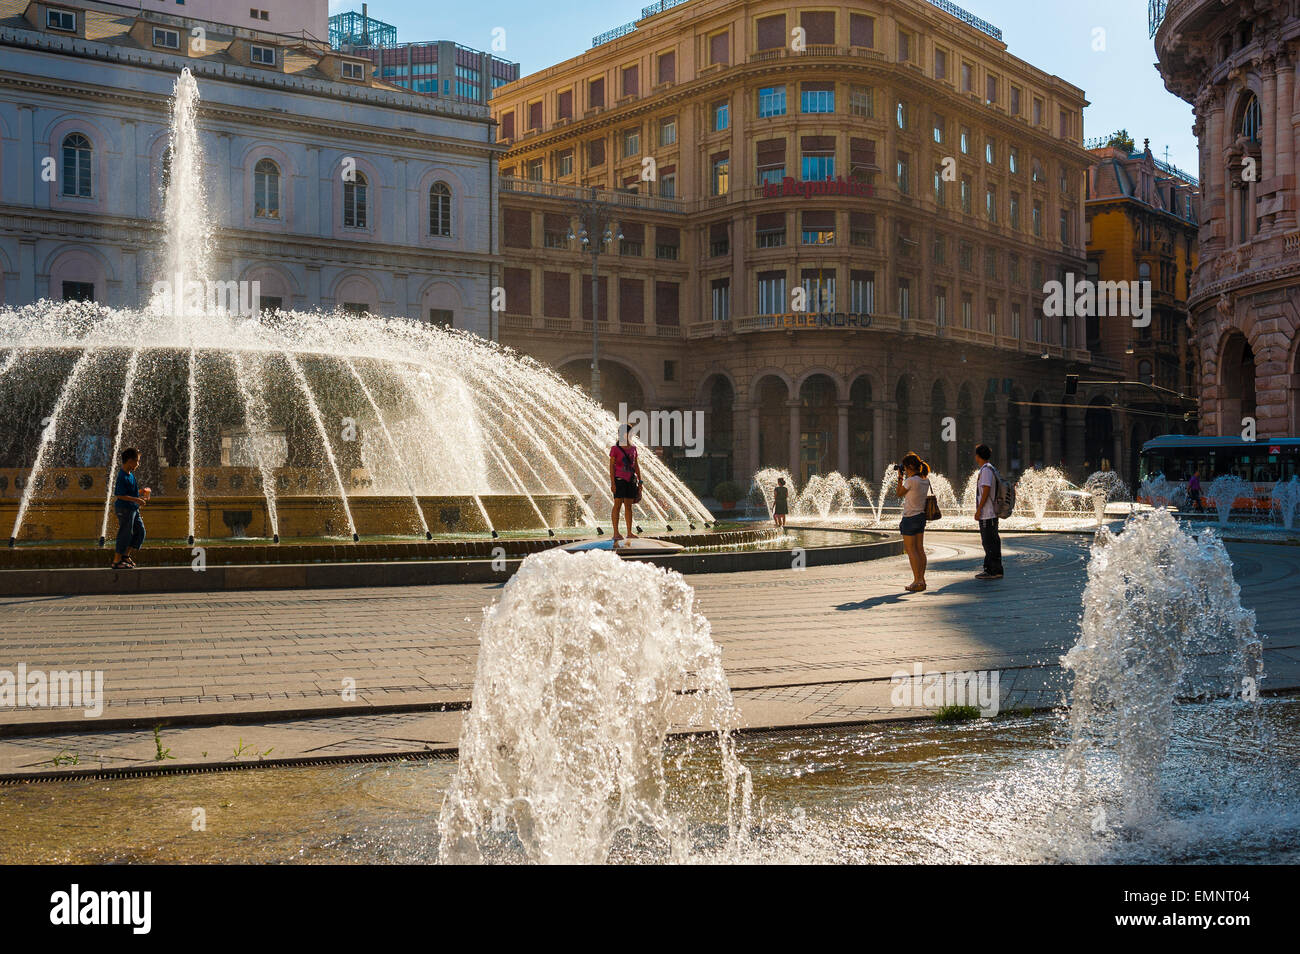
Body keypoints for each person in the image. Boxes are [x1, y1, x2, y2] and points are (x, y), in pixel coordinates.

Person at [895, 452, 930, 592]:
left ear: (909, 466)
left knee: (910, 550)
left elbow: (899, 493)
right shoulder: (925, 480)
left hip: (910, 517)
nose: (904, 469)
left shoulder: (910, 481)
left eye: (905, 467)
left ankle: (917, 581)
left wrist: (900, 478)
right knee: (920, 549)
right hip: (921, 517)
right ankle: (922, 579)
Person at [112, 447, 148, 569]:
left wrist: (141, 492)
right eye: (137, 461)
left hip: (133, 509)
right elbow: (119, 494)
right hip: (124, 509)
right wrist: (137, 500)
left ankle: (125, 556)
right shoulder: (122, 476)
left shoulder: (130, 475)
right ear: (129, 461)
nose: (138, 464)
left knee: (140, 532)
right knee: (125, 534)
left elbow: (130, 493)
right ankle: (116, 561)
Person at [974, 443, 1003, 580]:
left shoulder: (985, 470)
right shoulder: (991, 468)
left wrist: (979, 510)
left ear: (978, 456)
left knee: (988, 541)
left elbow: (985, 490)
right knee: (992, 541)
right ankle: (993, 569)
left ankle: (993, 570)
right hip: (991, 513)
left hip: (988, 513)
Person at [609, 424, 641, 544]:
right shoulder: (615, 449)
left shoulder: (633, 448)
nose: (632, 434)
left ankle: (629, 532)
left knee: (628, 506)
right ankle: (616, 532)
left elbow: (636, 465)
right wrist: (613, 483)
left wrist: (640, 481)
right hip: (619, 480)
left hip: (631, 480)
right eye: (630, 432)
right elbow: (611, 467)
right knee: (617, 505)